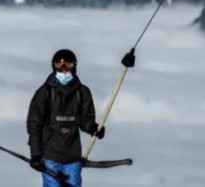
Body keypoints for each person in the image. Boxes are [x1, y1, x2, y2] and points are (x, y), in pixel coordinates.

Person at [26, 48, 135, 187]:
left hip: (73, 158)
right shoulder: (44, 93)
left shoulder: (82, 92)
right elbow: (34, 125)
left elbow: (86, 119)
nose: (64, 69)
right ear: (53, 67)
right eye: (60, 65)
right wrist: (35, 155)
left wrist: (94, 128)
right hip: (50, 158)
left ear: (75, 66)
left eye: (68, 65)